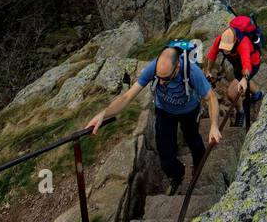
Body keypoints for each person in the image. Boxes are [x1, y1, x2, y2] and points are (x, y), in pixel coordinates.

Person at [87, 44, 221, 194]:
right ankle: (178, 174)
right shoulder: (154, 68)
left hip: (189, 111)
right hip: (165, 111)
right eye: (159, 78)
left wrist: (214, 125)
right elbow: (127, 97)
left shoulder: (192, 71)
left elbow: (211, 98)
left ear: (177, 67)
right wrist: (103, 114)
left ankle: (198, 167)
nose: (161, 82)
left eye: (166, 79)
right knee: (166, 158)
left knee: (193, 140)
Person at [206, 15, 263, 127]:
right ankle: (257, 93)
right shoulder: (220, 39)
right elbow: (212, 55)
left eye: (228, 48)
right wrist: (208, 70)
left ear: (235, 41)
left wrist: (244, 79)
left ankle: (241, 112)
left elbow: (247, 65)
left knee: (231, 93)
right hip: (238, 64)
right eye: (224, 48)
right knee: (240, 80)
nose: (225, 51)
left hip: (252, 63)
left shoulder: (243, 44)